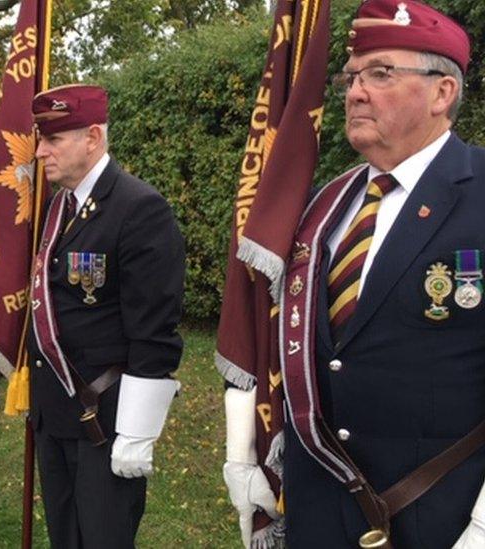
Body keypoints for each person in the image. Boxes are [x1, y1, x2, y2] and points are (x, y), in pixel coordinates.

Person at [223, 2, 485, 547]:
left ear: (443, 93)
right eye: (353, 76)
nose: (355, 91)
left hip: (441, 513)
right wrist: (245, 451)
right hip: (318, 508)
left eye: (382, 73)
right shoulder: (324, 207)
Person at [21, 84, 185, 548]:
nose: (40, 152)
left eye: (53, 140)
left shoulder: (138, 208)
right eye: (41, 139)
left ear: (93, 137)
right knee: (66, 537)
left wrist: (136, 430)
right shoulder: (59, 207)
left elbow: (154, 329)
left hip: (105, 417)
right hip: (56, 410)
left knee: (104, 538)